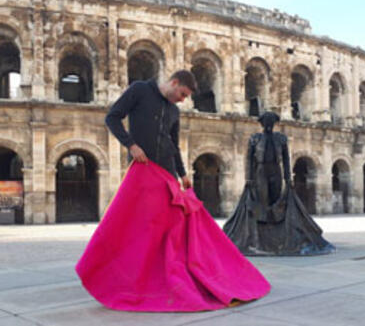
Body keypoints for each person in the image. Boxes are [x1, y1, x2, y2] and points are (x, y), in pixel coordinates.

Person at [76, 71, 270, 312]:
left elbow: (173, 144)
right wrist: (131, 145)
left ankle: (164, 273)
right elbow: (112, 118)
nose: (182, 100)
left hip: (166, 174)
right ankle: (115, 273)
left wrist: (182, 173)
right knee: (138, 226)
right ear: (174, 83)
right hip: (144, 170)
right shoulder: (139, 89)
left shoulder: (174, 111)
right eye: (182, 94)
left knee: (171, 227)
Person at [223, 111, 335, 256]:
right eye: (266, 122)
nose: (268, 125)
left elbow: (286, 159)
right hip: (261, 170)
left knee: (276, 199)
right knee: (262, 200)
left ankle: (275, 229)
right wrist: (249, 178)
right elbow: (249, 160)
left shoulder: (281, 139)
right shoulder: (255, 138)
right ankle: (262, 232)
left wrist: (288, 178)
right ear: (262, 124)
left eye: (271, 122)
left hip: (276, 170)